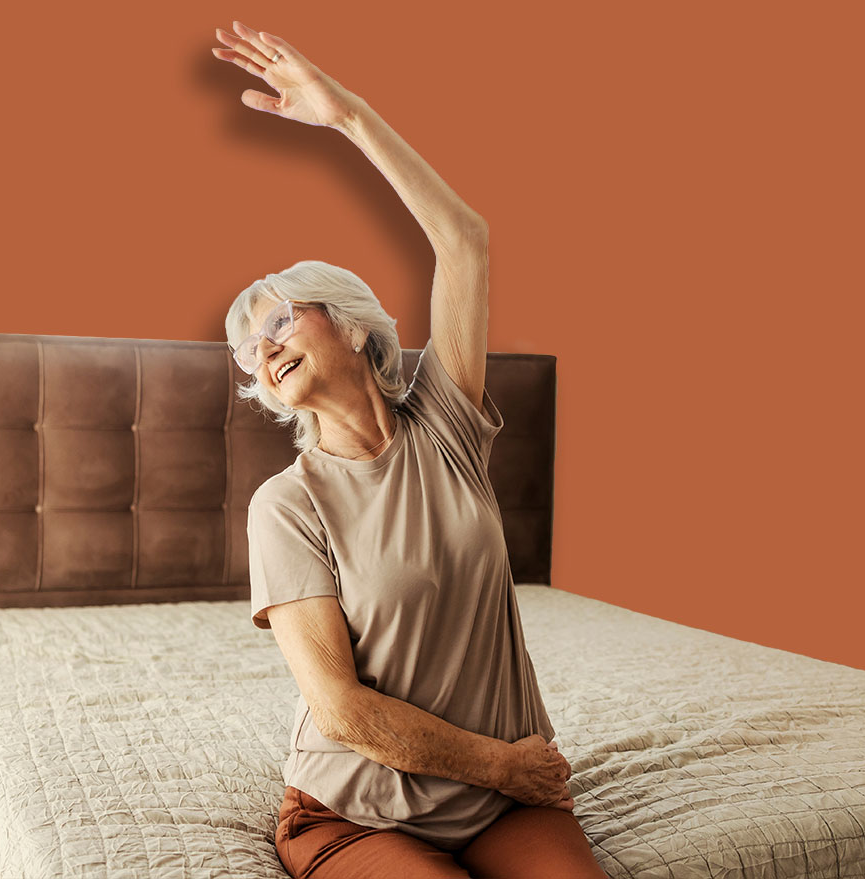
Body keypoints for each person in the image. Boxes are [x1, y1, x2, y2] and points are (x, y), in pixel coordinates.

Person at [214, 21, 607, 879]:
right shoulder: (288, 505)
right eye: (250, 345)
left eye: (280, 317)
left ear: (351, 326)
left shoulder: (445, 428)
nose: (264, 345)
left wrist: (346, 116)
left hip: (503, 804)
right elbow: (344, 712)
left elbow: (465, 242)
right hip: (357, 811)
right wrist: (506, 762)